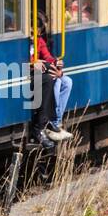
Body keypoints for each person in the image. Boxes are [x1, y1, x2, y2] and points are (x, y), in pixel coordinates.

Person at [31, 13, 73, 147]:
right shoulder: (23, 43)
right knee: (53, 81)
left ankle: (55, 122)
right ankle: (48, 122)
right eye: (33, 29)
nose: (36, 33)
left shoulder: (39, 41)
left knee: (66, 81)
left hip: (40, 72)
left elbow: (47, 56)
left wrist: (57, 62)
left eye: (38, 30)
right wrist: (33, 63)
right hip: (31, 73)